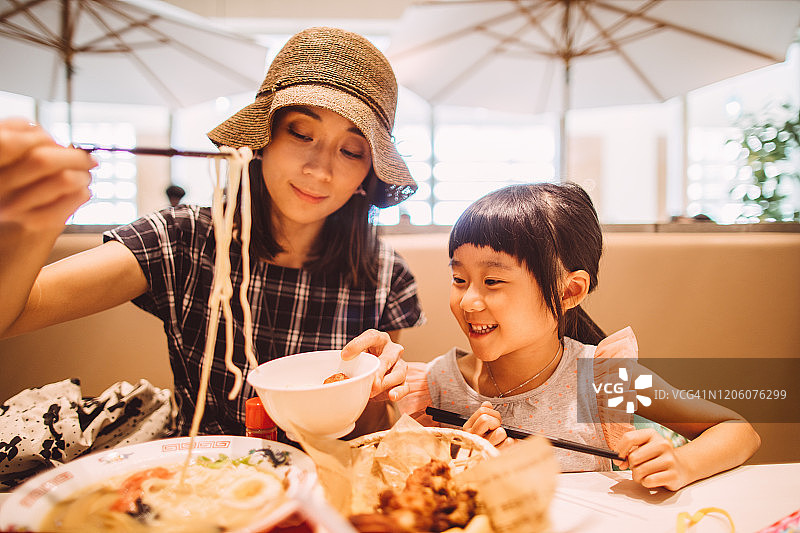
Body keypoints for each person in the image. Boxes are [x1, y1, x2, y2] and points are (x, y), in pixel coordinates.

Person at [0, 27, 424, 438]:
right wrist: (31, 224)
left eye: (351, 150)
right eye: (300, 132)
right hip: (201, 480)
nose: (320, 169)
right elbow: (17, 311)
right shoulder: (185, 239)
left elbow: (367, 436)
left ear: (368, 173)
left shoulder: (385, 276)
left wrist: (371, 389)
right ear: (263, 138)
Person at [392, 183, 759, 491]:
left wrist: (680, 463)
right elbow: (409, 482)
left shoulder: (602, 378)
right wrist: (466, 464)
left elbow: (737, 430)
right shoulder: (438, 384)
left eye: (492, 282)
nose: (468, 300)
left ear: (569, 291)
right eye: (459, 280)